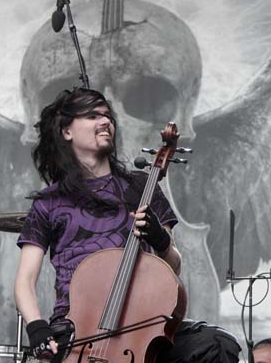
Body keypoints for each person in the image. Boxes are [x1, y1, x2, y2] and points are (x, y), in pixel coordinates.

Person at [14, 87, 240, 363]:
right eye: (92, 115)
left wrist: (160, 240)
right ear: (66, 131)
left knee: (216, 344)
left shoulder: (141, 186)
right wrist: (36, 326)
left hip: (139, 322)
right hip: (77, 331)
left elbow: (173, 267)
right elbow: (25, 279)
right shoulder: (49, 202)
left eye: (108, 115)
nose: (106, 121)